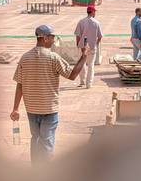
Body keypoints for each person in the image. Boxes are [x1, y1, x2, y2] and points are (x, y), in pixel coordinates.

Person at [11, 25, 88, 163]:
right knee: (47, 142)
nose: (54, 40)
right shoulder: (53, 58)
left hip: (32, 110)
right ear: (45, 38)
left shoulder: (25, 58)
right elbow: (72, 75)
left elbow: (19, 85)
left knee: (35, 139)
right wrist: (84, 56)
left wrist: (16, 108)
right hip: (49, 110)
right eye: (52, 37)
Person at [74, 5, 103, 88]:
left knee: (82, 64)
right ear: (92, 12)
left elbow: (77, 35)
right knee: (91, 65)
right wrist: (96, 44)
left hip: (82, 46)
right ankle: (88, 84)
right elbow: (100, 36)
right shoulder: (96, 23)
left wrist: (79, 45)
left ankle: (82, 81)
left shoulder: (81, 22)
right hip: (92, 47)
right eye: (95, 12)